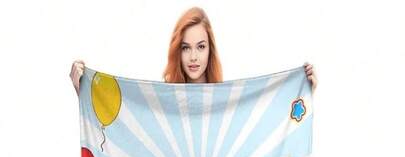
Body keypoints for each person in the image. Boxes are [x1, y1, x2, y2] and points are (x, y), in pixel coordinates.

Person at [69, 6, 317, 93]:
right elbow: (128, 131)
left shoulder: (227, 101)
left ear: (211, 50)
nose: (194, 57)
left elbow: (263, 135)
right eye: (186, 48)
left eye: (201, 46)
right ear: (177, 52)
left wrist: (303, 91)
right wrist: (86, 92)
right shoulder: (164, 101)